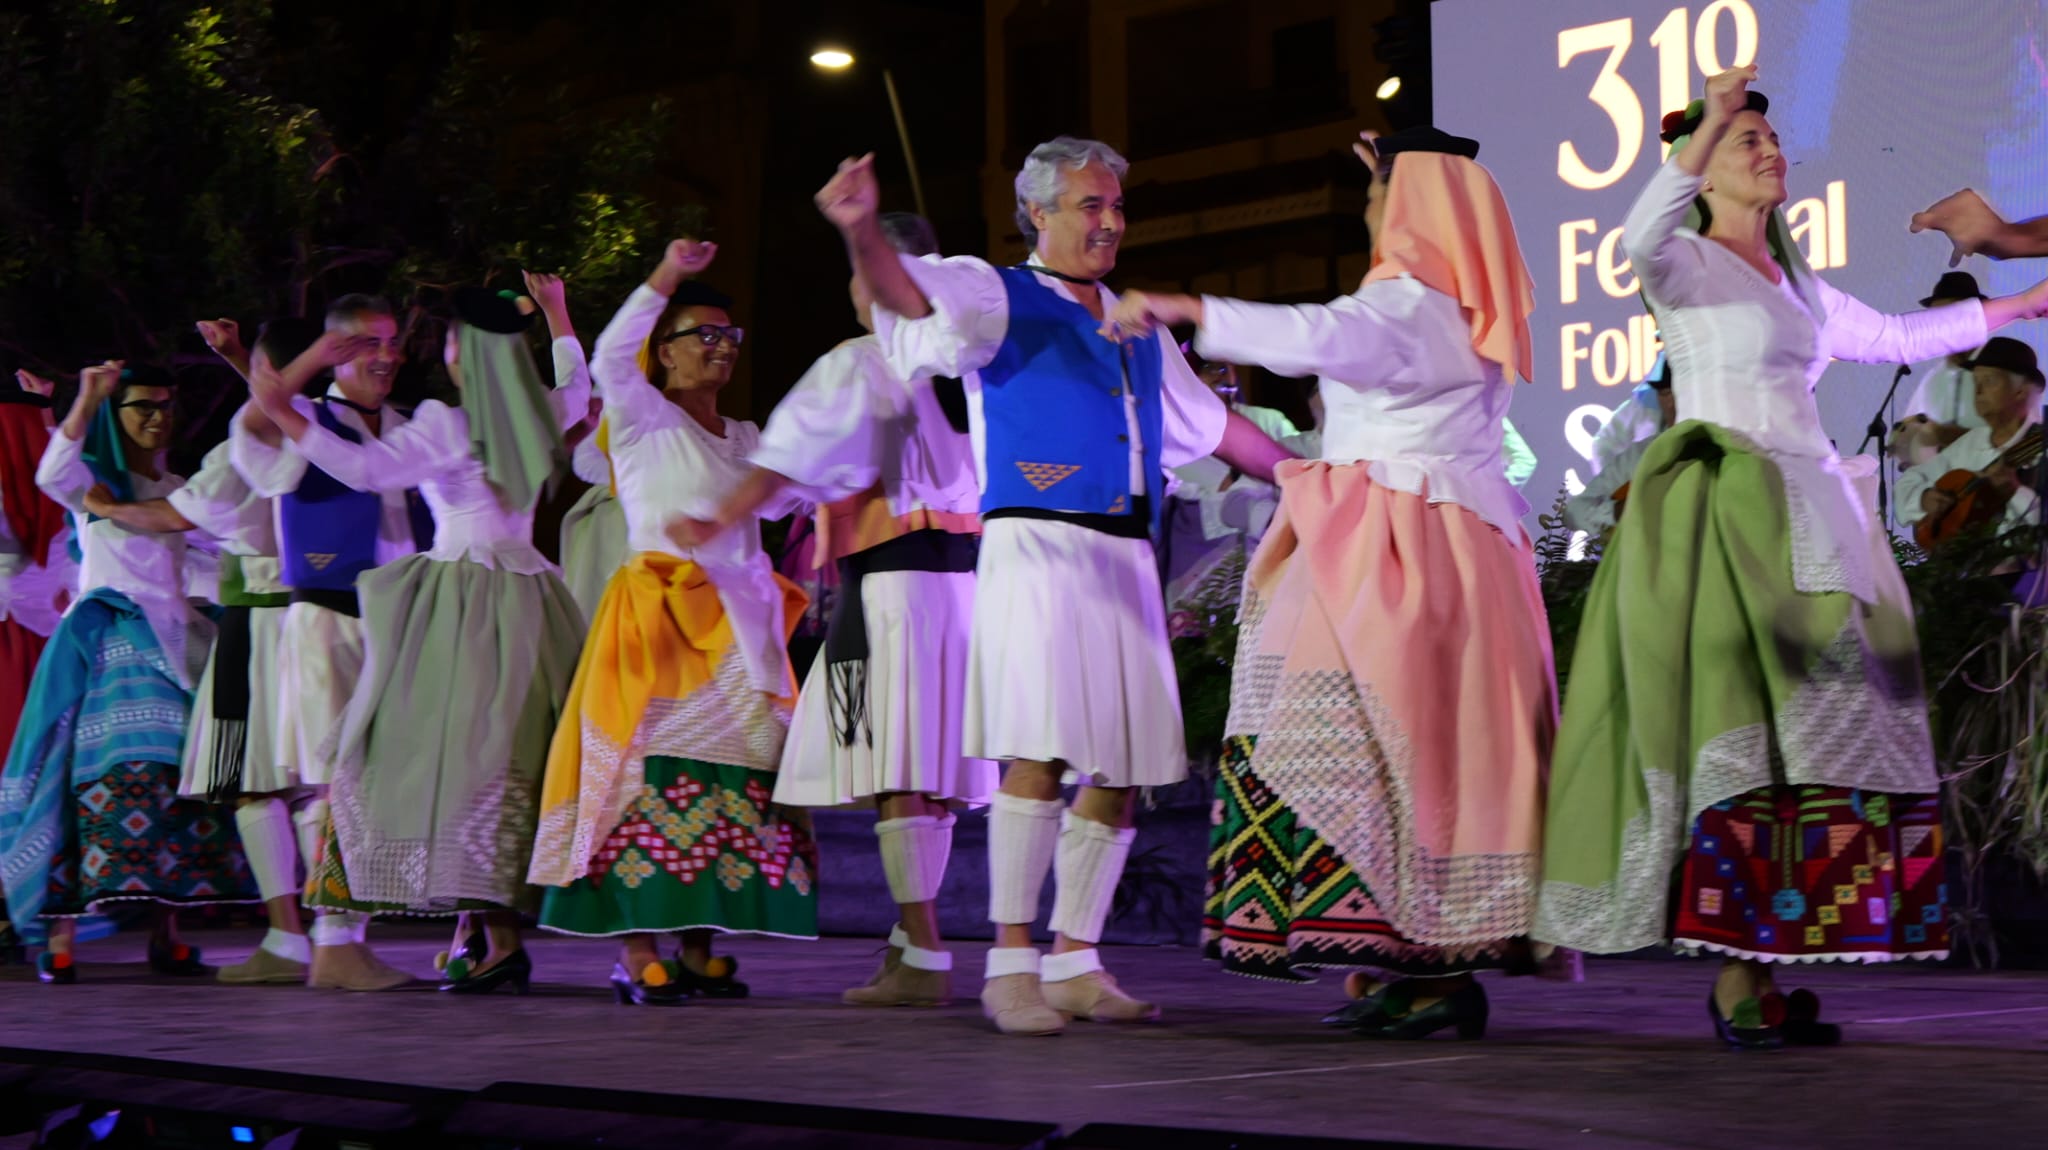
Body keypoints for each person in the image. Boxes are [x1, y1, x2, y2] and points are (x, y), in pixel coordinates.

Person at [1537, 68, 2048, 1049]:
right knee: (1742, 736)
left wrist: (2019, 304)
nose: (1769, 151)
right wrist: (1708, 121)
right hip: (1725, 525)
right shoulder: (1681, 263)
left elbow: (1893, 334)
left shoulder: (1798, 283)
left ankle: (1759, 963)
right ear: (1702, 173)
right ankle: (1739, 975)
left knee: (1813, 739)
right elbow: (1634, 235)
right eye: (1747, 142)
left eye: (1772, 141)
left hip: (1810, 518)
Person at [817, 137, 1293, 1034]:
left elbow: (1213, 428)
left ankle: (1076, 959)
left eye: (1116, 206)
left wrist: (1305, 474)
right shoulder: (994, 292)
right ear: (1037, 213)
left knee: (1121, 762)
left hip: (1125, 555)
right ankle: (1010, 965)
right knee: (1036, 753)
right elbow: (907, 295)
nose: (1109, 222)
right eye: (1089, 205)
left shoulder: (1138, 321)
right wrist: (861, 230)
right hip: (1036, 545)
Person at [1112, 125, 1552, 1040]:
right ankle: (1412, 960)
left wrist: (1183, 305)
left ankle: (1425, 967)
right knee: (1430, 751)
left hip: (1390, 551)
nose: (1370, 213)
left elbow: (1316, 333)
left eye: (1382, 198)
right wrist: (1396, 166)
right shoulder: (1464, 309)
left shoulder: (1409, 308)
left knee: (1363, 742)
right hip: (1454, 548)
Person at [673, 212, 991, 1007]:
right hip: (970, 583)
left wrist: (719, 518)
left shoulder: (864, 359)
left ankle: (923, 951)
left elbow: (790, 454)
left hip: (895, 582)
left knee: (900, 766)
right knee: (933, 766)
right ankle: (911, 943)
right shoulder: (980, 358)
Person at [257, 275, 589, 996]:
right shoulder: (541, 413)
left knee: (444, 758)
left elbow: (364, 468)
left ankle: (486, 937)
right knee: (519, 752)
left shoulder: (447, 424)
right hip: (533, 593)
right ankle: (489, 934)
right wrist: (559, 317)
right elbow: (580, 388)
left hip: (462, 598)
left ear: (463, 354)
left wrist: (284, 410)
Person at [526, 239, 816, 1006]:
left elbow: (802, 485)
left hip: (741, 631)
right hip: (656, 619)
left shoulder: (747, 438)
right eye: (703, 334)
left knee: (732, 780)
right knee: (646, 773)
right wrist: (668, 273)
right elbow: (610, 353)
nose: (721, 346)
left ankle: (696, 947)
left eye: (729, 335)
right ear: (664, 351)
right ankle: (636, 950)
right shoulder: (640, 415)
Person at [82, 317, 322, 985]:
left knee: (252, 786)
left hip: (257, 626)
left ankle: (288, 937)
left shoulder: (241, 452)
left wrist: (108, 508)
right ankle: (337, 931)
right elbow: (281, 403)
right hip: (327, 619)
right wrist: (242, 357)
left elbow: (173, 515)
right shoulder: (341, 434)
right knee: (316, 785)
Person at [0, 360, 255, 983]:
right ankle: (61, 940)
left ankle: (168, 936)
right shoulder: (93, 481)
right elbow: (51, 471)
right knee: (87, 779)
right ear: (117, 415)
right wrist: (87, 396)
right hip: (108, 643)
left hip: (177, 642)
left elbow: (215, 544)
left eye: (165, 405)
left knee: (179, 783)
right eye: (142, 406)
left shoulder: (176, 486)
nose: (157, 417)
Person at [231, 294, 435, 992]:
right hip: (329, 615)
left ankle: (348, 937)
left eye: (392, 343)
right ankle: (332, 940)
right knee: (330, 781)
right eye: (367, 343)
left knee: (379, 783)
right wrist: (313, 359)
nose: (386, 356)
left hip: (401, 618)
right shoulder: (302, 419)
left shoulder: (413, 426)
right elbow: (251, 431)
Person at [1897, 336, 2044, 543]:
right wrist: (1924, 498)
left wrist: (2014, 493)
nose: (1978, 391)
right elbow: (1909, 482)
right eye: (1976, 382)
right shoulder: (1972, 442)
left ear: (2020, 391)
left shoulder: (2040, 444)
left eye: (1990, 381)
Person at [1561, 353, 1678, 535]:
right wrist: (1621, 504)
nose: (1670, 403)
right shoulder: (1642, 454)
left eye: (1676, 392)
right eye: (1664, 393)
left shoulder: (1721, 451)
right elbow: (1575, 512)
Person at [1903, 272, 1993, 432]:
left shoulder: (2000, 371)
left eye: (1949, 316)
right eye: (1936, 318)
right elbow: (1908, 431)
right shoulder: (1933, 380)